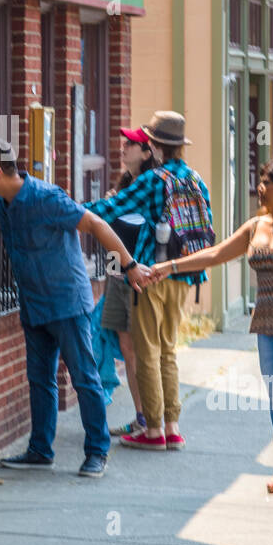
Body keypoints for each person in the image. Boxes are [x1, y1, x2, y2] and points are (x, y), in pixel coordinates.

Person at [148, 156, 273, 493]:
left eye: (266, 184)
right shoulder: (255, 226)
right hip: (266, 319)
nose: (260, 189)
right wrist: (170, 266)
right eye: (260, 182)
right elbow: (216, 254)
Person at [0, 140, 151, 478]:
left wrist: (129, 265)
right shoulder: (5, 202)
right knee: (40, 380)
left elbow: (96, 224)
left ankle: (97, 451)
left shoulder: (46, 198)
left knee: (84, 378)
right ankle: (41, 450)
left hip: (67, 302)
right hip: (34, 305)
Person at [86, 111, 212, 450]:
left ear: (154, 146)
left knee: (147, 351)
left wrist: (68, 208)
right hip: (184, 272)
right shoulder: (194, 178)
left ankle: (153, 430)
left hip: (150, 274)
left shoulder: (153, 180)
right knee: (168, 350)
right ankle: (172, 426)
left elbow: (109, 210)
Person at [101, 127, 153, 437]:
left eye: (132, 144)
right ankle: (140, 416)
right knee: (126, 346)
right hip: (118, 275)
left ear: (147, 153)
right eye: (124, 142)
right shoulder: (122, 187)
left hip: (143, 277)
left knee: (144, 347)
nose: (124, 147)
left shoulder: (151, 188)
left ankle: (153, 416)